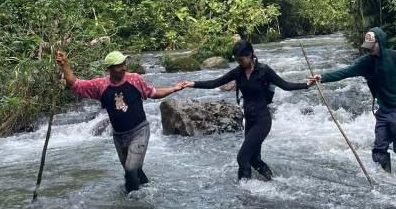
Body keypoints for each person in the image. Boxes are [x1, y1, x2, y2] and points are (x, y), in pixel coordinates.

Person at [309, 28, 396, 185]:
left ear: (380, 43)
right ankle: (387, 182)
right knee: (379, 149)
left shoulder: (395, 56)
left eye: (372, 45)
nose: (368, 48)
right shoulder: (365, 62)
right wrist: (322, 78)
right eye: (367, 45)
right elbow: (345, 72)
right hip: (384, 110)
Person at [56, 50, 189, 193]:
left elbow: (153, 93)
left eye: (124, 64)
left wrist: (173, 89)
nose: (124, 67)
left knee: (130, 168)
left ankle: (129, 203)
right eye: (119, 65)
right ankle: (144, 191)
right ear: (109, 69)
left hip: (139, 130)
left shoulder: (135, 80)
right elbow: (76, 85)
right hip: (119, 136)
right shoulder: (100, 85)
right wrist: (65, 65)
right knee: (131, 169)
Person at [184, 40, 313, 181]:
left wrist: (306, 85)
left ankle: (244, 191)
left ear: (250, 55)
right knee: (254, 160)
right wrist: (192, 84)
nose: (239, 63)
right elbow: (215, 83)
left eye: (241, 60)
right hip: (249, 121)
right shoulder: (238, 72)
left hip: (262, 121)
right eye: (237, 60)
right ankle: (273, 182)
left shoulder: (264, 71)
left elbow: (285, 85)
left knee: (242, 158)